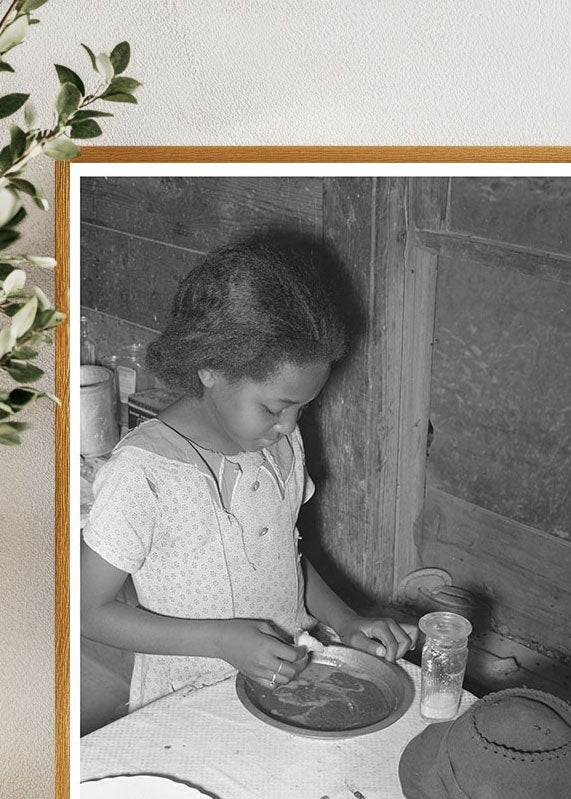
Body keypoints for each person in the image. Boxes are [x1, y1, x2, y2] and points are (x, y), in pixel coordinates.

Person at [80, 241, 415, 711]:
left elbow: (283, 554)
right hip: (187, 700)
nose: (292, 426)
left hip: (287, 679)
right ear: (211, 367)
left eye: (303, 408)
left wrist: (345, 619)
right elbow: (86, 611)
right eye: (275, 407)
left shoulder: (278, 446)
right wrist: (221, 641)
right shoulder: (144, 476)